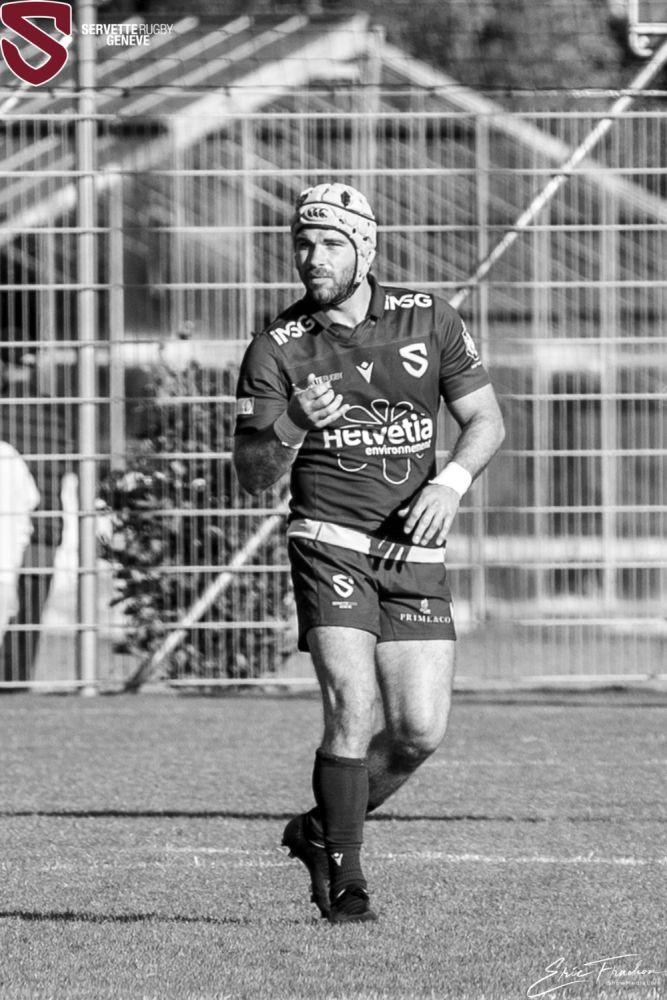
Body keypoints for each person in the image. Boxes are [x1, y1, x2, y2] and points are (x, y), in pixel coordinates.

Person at [233, 182, 505, 923]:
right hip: (328, 545)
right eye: (302, 243)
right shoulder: (277, 348)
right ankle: (347, 882)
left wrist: (449, 483)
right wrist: (291, 423)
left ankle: (320, 829)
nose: (312, 257)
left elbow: (485, 420)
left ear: (366, 248)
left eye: (330, 243)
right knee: (351, 706)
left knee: (417, 732)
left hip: (411, 551)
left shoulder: (428, 317)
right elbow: (252, 473)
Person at [0, 346, 74, 684]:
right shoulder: (55, 413)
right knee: (26, 623)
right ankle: (15, 684)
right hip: (45, 529)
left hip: (9, 527)